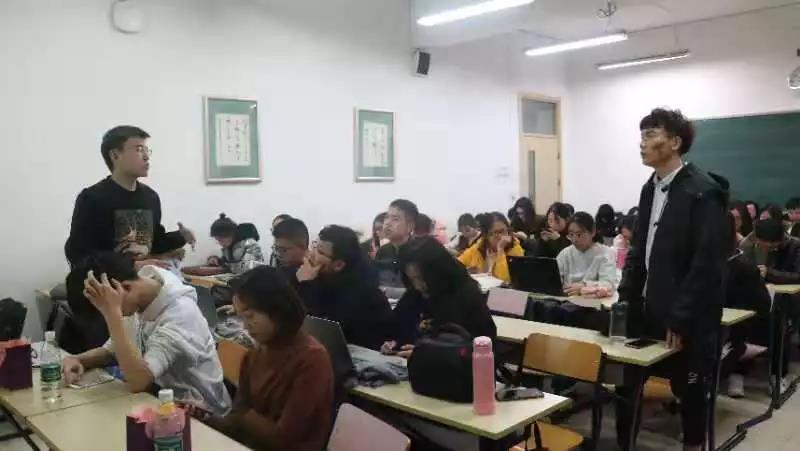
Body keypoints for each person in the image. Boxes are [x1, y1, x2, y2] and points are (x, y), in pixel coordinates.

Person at [615, 108, 728, 451]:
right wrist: (625, 296)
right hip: (647, 308)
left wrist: (680, 318)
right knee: (626, 382)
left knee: (690, 390)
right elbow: (639, 248)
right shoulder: (650, 188)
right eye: (642, 136)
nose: (642, 143)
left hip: (687, 317)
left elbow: (705, 264)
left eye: (651, 135)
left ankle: (693, 444)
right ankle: (624, 444)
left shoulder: (703, 191)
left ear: (675, 142)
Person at [62, 252, 231, 415]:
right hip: (160, 401)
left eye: (106, 309)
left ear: (125, 287)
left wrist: (113, 316)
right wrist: (78, 359)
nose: (108, 314)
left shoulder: (179, 316)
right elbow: (111, 351)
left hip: (203, 414)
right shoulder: (138, 295)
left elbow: (139, 381)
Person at [198, 266, 334, 451]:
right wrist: (204, 417)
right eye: (241, 317)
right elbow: (236, 420)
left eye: (250, 316)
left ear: (276, 308)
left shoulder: (313, 359)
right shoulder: (255, 354)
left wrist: (244, 416)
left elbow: (284, 439)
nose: (245, 326)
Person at [65, 126, 196, 268]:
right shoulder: (92, 198)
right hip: (110, 281)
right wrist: (130, 265)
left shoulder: (150, 197)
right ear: (115, 155)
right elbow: (77, 253)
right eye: (139, 149)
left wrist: (181, 236)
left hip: (145, 278)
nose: (146, 156)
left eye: (147, 150)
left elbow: (154, 242)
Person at [384, 237, 496, 357]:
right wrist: (393, 343)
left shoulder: (466, 297)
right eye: (412, 279)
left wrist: (430, 355)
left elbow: (482, 350)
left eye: (422, 279)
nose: (418, 286)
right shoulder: (415, 294)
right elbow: (397, 327)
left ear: (439, 273)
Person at [295, 225, 392, 350]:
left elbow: (319, 331)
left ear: (338, 265)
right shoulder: (315, 278)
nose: (311, 254)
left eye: (320, 252)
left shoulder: (362, 294)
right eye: (314, 247)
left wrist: (305, 285)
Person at [740, 218, 800, 383]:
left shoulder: (795, 246)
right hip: (760, 295)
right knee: (742, 319)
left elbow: (798, 276)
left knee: (780, 322)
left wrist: (769, 273)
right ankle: (738, 371)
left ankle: (778, 374)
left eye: (767, 246)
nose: (763, 248)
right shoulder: (748, 244)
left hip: (787, 298)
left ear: (777, 242)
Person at [721, 212, 771, 398]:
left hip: (739, 326)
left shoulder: (744, 267)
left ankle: (736, 369)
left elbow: (763, 305)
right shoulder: (700, 262)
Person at [556, 212, 618, 296]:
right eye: (571, 235)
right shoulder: (565, 253)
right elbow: (554, 278)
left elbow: (609, 284)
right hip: (568, 298)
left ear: (592, 232)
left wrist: (584, 286)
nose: (574, 240)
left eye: (579, 235)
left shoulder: (605, 253)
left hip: (593, 300)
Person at [185, 214, 264, 276]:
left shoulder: (250, 244)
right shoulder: (229, 247)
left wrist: (225, 268)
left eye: (220, 239)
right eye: (217, 240)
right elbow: (228, 262)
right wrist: (216, 260)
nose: (220, 243)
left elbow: (249, 268)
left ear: (231, 235)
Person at [458, 212, 524, 282]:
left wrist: (500, 249)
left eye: (503, 231)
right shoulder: (479, 246)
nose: (501, 236)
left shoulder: (515, 249)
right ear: (486, 235)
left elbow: (504, 280)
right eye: (496, 233)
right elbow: (458, 263)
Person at [374, 199, 419, 294]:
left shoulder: (419, 252)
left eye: (395, 219)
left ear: (410, 226)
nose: (387, 223)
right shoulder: (383, 251)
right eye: (387, 217)